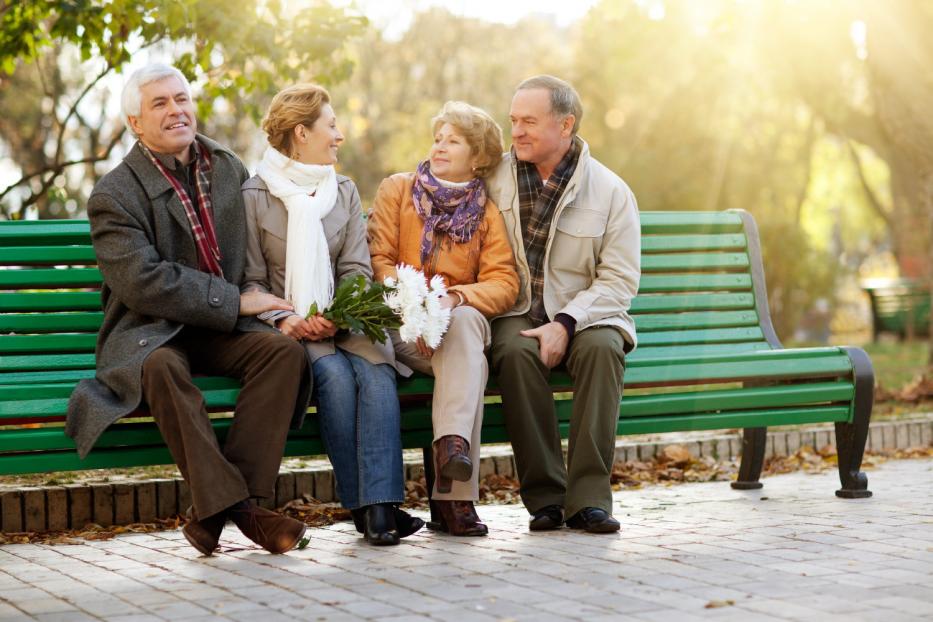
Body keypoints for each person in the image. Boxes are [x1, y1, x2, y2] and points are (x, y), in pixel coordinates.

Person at [66, 63, 311, 556]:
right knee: (158, 368)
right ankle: (245, 512)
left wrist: (276, 309)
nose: (177, 110)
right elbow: (143, 283)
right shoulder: (113, 194)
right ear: (135, 123)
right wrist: (234, 300)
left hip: (221, 327)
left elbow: (254, 248)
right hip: (150, 330)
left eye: (181, 98)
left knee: (283, 355)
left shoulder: (226, 167)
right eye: (160, 103)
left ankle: (218, 511)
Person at [241, 83, 423, 546]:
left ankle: (378, 508)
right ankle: (370, 509)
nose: (339, 135)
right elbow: (251, 283)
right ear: (301, 133)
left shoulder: (341, 189)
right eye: (332, 125)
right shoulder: (255, 194)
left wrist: (340, 314)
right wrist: (287, 321)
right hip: (291, 328)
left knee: (376, 372)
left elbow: (356, 268)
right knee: (337, 379)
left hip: (345, 320)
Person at [486, 75, 640, 533]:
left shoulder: (611, 191)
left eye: (528, 121)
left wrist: (568, 322)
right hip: (516, 311)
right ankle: (547, 499)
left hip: (587, 314)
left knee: (603, 349)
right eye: (513, 120)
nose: (515, 132)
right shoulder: (493, 178)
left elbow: (619, 280)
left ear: (566, 124)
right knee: (515, 353)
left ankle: (589, 499)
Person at [368, 101, 519, 536]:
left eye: (453, 141)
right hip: (400, 327)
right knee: (472, 364)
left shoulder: (486, 212)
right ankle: (456, 501)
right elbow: (378, 259)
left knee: (468, 326)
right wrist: (417, 303)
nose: (440, 146)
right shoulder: (398, 190)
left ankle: (451, 449)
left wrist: (453, 297)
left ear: (479, 157)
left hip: (451, 334)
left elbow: (503, 281)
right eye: (438, 138)